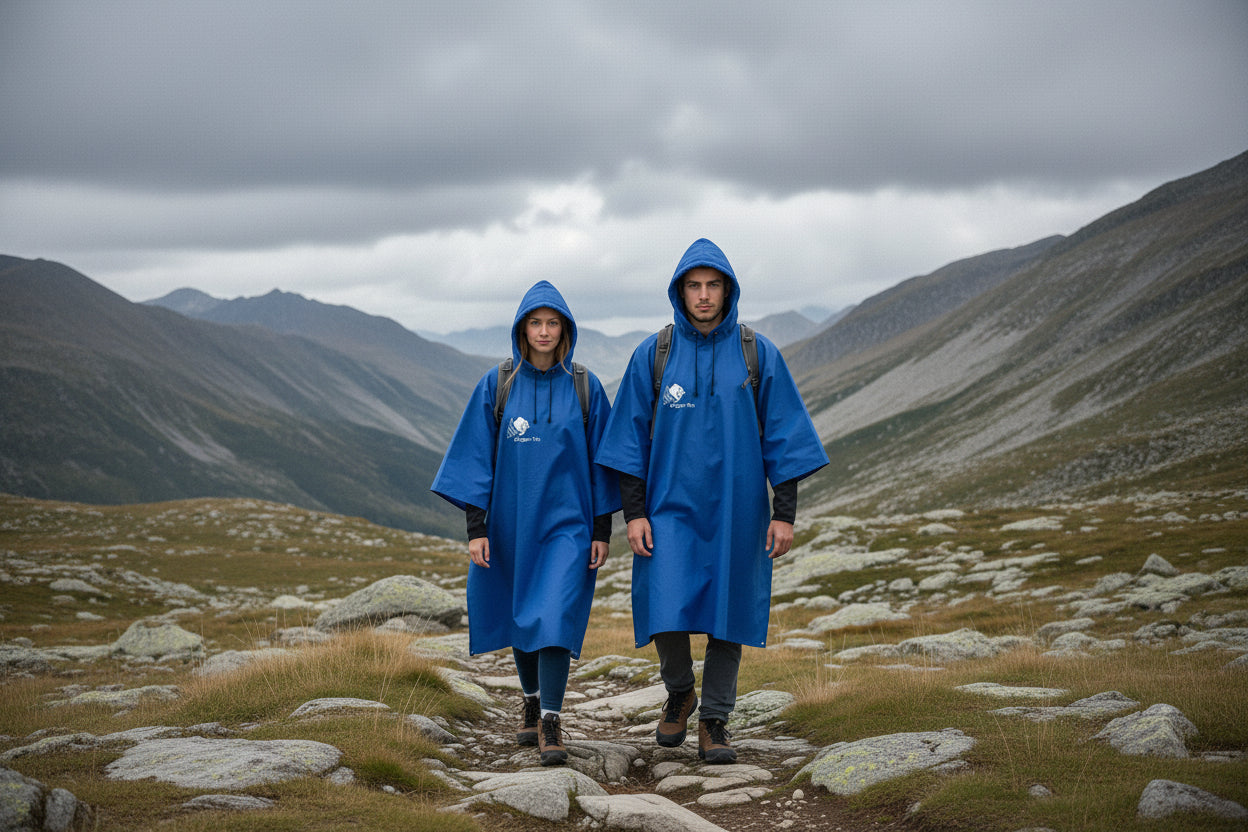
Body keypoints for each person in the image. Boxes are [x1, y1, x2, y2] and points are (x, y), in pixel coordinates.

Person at [595, 238, 828, 763]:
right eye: (694, 286)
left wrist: (783, 513)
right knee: (665, 607)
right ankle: (680, 692)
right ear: (680, 292)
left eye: (713, 285)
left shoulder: (755, 352)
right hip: (668, 509)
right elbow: (627, 441)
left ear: (728, 290)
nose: (704, 296)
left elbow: (784, 435)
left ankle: (716, 721)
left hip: (737, 510)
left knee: (730, 613)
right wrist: (633, 513)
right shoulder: (653, 355)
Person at [431, 280, 619, 766]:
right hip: (510, 525)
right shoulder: (498, 385)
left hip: (568, 528)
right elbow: (474, 459)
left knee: (553, 617)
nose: (543, 331)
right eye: (535, 322)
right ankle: (531, 702)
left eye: (552, 322)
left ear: (565, 329)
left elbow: (605, 462)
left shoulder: (586, 387)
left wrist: (602, 530)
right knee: (520, 617)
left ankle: (552, 721)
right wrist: (477, 530)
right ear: (521, 328)